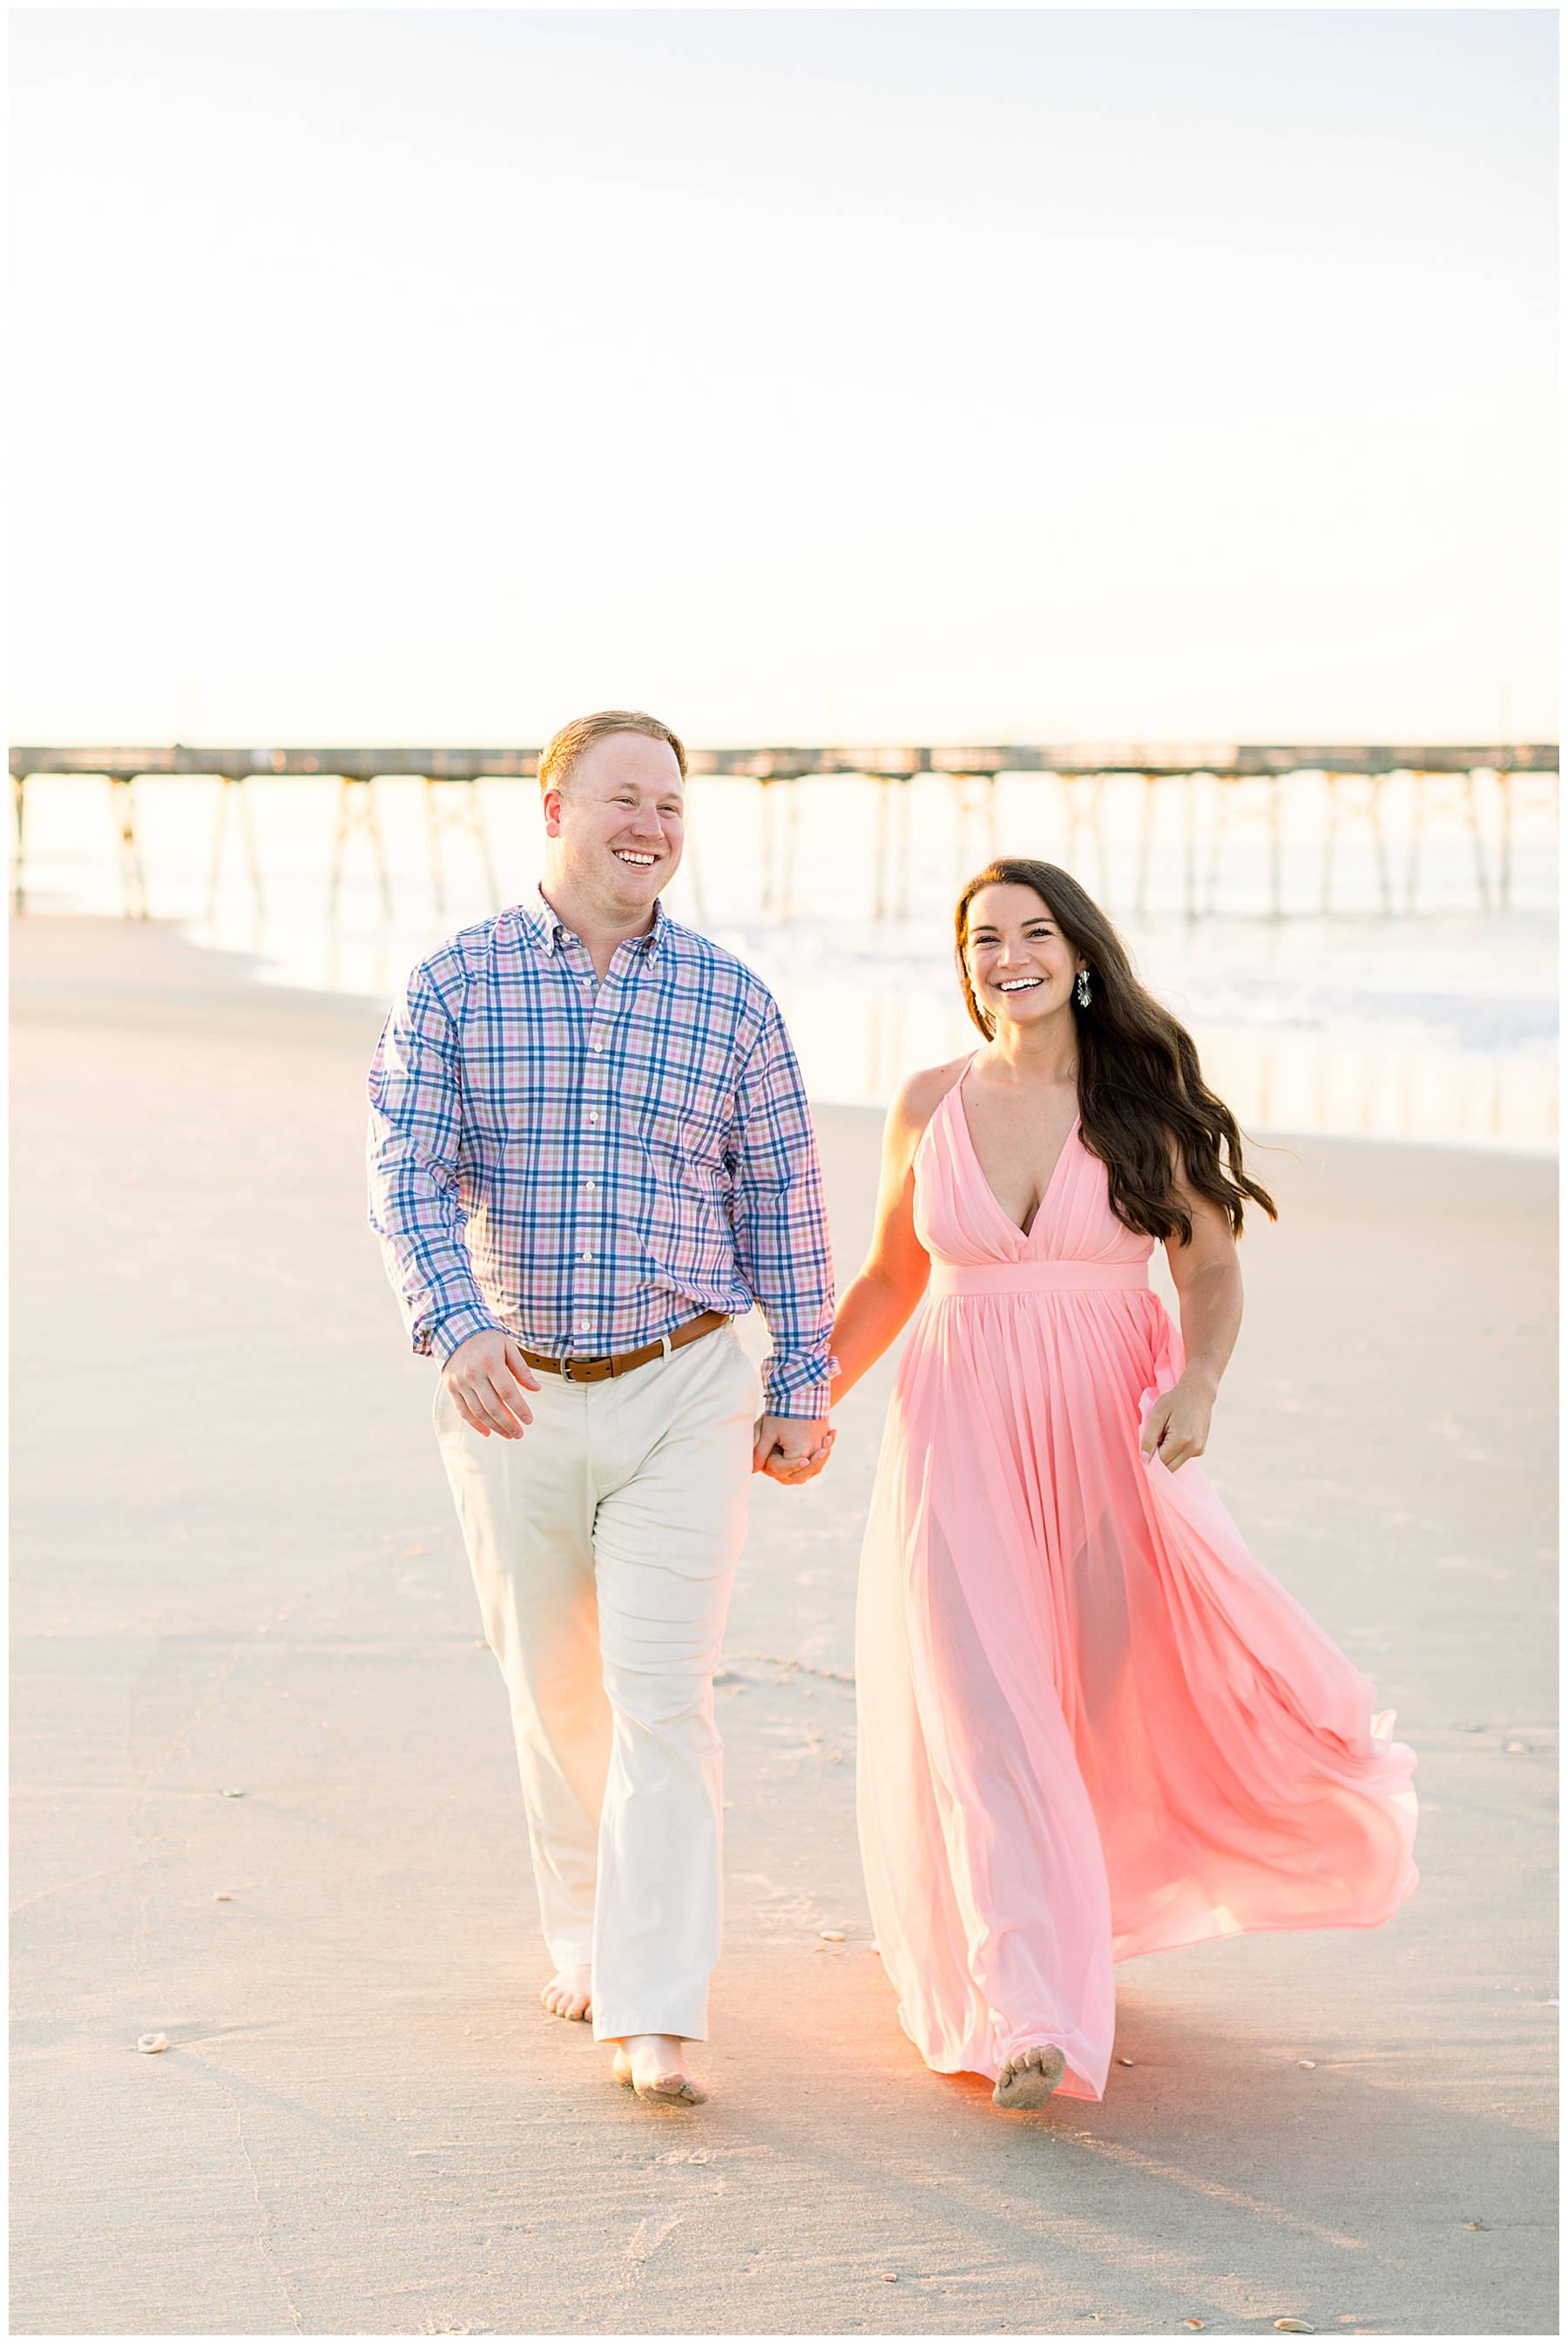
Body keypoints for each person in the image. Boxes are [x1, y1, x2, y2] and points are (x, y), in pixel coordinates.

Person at [830, 857, 1418, 2111]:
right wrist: (803, 1394)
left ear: (1083, 954)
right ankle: (1024, 2004)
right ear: (965, 961)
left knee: (1099, 1696)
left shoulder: (1139, 1103)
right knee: (984, 1708)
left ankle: (1077, 1926)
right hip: (958, 1425)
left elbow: (1209, 1270)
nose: (1008, 956)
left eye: (1034, 932)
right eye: (984, 937)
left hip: (1110, 1434)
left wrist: (1199, 1382)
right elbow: (889, 1279)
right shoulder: (928, 1101)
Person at [367, 709, 835, 2107]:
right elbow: (407, 1171)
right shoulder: (453, 982)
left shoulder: (734, 1001)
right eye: (628, 798)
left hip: (687, 1384)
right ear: (555, 808)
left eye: (675, 806)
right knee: (554, 1689)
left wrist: (799, 1384)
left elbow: (786, 1204)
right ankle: (581, 1925)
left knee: (663, 1697)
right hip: (511, 1397)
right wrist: (455, 1328)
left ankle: (656, 2002)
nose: (654, 825)